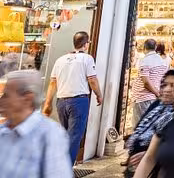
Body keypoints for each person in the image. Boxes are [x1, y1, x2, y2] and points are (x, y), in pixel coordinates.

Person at [42, 31, 103, 164]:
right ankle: (65, 169)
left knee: (65, 135)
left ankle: (58, 165)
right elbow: (92, 80)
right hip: (79, 101)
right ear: (85, 44)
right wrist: (99, 95)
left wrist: (48, 103)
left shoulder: (60, 60)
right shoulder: (87, 59)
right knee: (74, 137)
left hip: (61, 101)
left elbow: (53, 82)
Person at [0, 70, 73, 178]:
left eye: (6, 95)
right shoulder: (3, 131)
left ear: (27, 98)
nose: (1, 100)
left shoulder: (49, 134)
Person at [125, 70, 174, 176]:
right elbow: (141, 127)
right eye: (164, 85)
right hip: (137, 164)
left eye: (173, 85)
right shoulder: (157, 105)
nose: (167, 89)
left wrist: (150, 155)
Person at [130, 39, 168, 127]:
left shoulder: (145, 60)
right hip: (153, 98)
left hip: (143, 98)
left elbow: (146, 82)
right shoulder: (162, 61)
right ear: (155, 47)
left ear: (144, 47)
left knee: (140, 126)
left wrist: (157, 93)